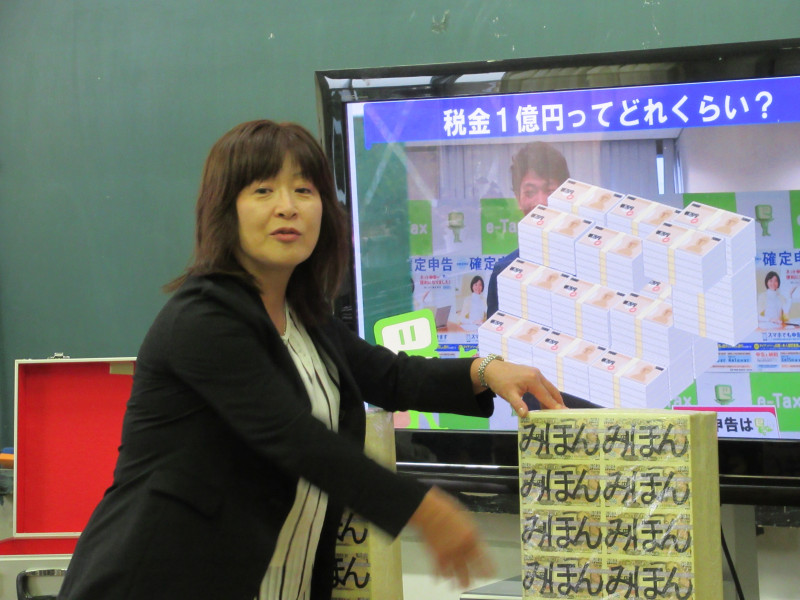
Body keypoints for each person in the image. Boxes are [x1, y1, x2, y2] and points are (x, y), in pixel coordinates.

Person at [57, 120, 569, 600]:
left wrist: (486, 370)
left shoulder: (305, 317)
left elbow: (391, 376)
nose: (288, 207)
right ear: (225, 209)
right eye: (263, 190)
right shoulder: (202, 318)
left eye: (304, 190)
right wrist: (422, 509)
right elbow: (294, 440)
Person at [486, 142, 570, 318]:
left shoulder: (591, 263)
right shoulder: (505, 271)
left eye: (550, 191)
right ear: (518, 199)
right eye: (530, 192)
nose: (541, 202)